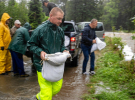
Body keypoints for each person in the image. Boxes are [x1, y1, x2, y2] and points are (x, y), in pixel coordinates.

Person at [27, 7, 69, 100]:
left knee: (56, 88)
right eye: (58, 18)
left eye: (61, 18)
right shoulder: (40, 29)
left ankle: (38, 97)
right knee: (47, 95)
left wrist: (64, 50)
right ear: (51, 16)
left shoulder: (60, 31)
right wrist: (40, 51)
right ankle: (42, 97)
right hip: (42, 64)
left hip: (57, 64)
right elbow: (30, 45)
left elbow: (62, 45)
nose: (61, 21)